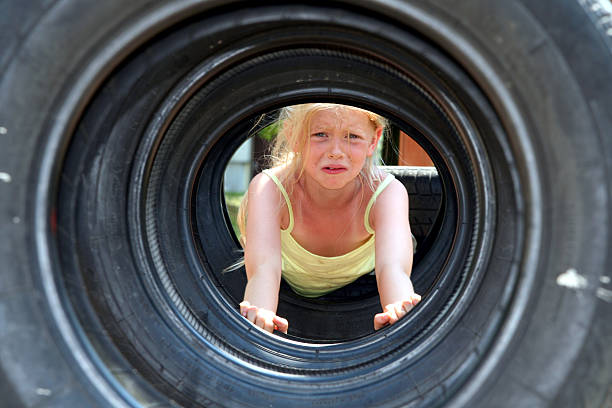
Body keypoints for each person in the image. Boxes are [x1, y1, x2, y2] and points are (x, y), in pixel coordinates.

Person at [236, 103, 421, 334]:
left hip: (363, 285)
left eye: (352, 136)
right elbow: (263, 269)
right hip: (287, 288)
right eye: (320, 135)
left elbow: (393, 269)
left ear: (373, 141)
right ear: (294, 137)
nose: (336, 151)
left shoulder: (386, 194)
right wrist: (260, 314)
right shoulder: (270, 190)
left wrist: (398, 308)